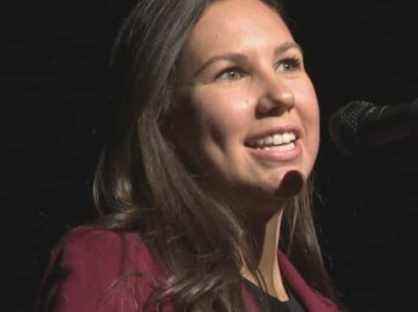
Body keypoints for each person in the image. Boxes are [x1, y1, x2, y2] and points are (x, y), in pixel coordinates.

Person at [36, 0, 341, 311]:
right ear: (165, 119)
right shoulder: (117, 271)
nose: (280, 95)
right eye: (232, 73)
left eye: (288, 64)